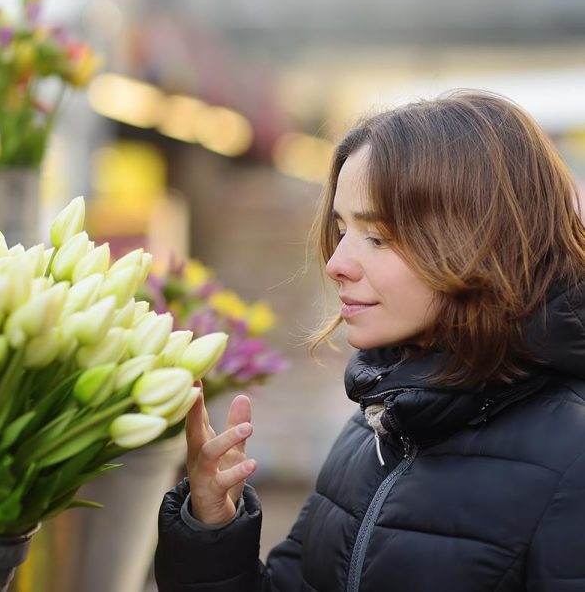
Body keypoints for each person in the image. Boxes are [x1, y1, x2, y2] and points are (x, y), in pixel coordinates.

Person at [154, 90, 585, 591]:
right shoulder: (376, 426)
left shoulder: (572, 455)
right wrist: (212, 523)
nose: (337, 263)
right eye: (341, 230)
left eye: (377, 237)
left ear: (481, 240)